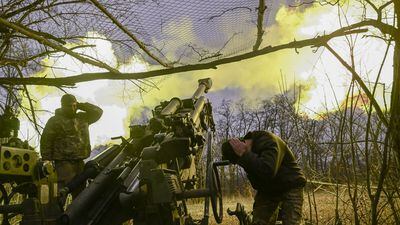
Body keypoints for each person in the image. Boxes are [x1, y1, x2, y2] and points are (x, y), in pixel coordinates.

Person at [222, 130, 306, 225]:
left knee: (291, 222)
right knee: (259, 222)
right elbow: (256, 184)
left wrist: (245, 155)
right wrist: (246, 160)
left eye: (240, 161)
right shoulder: (248, 156)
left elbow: (268, 171)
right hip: (268, 189)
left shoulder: (268, 140)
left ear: (243, 144)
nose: (241, 163)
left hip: (291, 185)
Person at [40, 94, 103, 201]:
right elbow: (46, 141)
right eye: (68, 106)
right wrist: (48, 162)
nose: (72, 108)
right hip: (63, 165)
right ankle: (57, 217)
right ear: (62, 106)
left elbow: (98, 112)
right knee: (59, 196)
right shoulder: (55, 120)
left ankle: (74, 218)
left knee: (80, 198)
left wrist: (80, 105)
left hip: (79, 164)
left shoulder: (83, 118)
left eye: (74, 106)